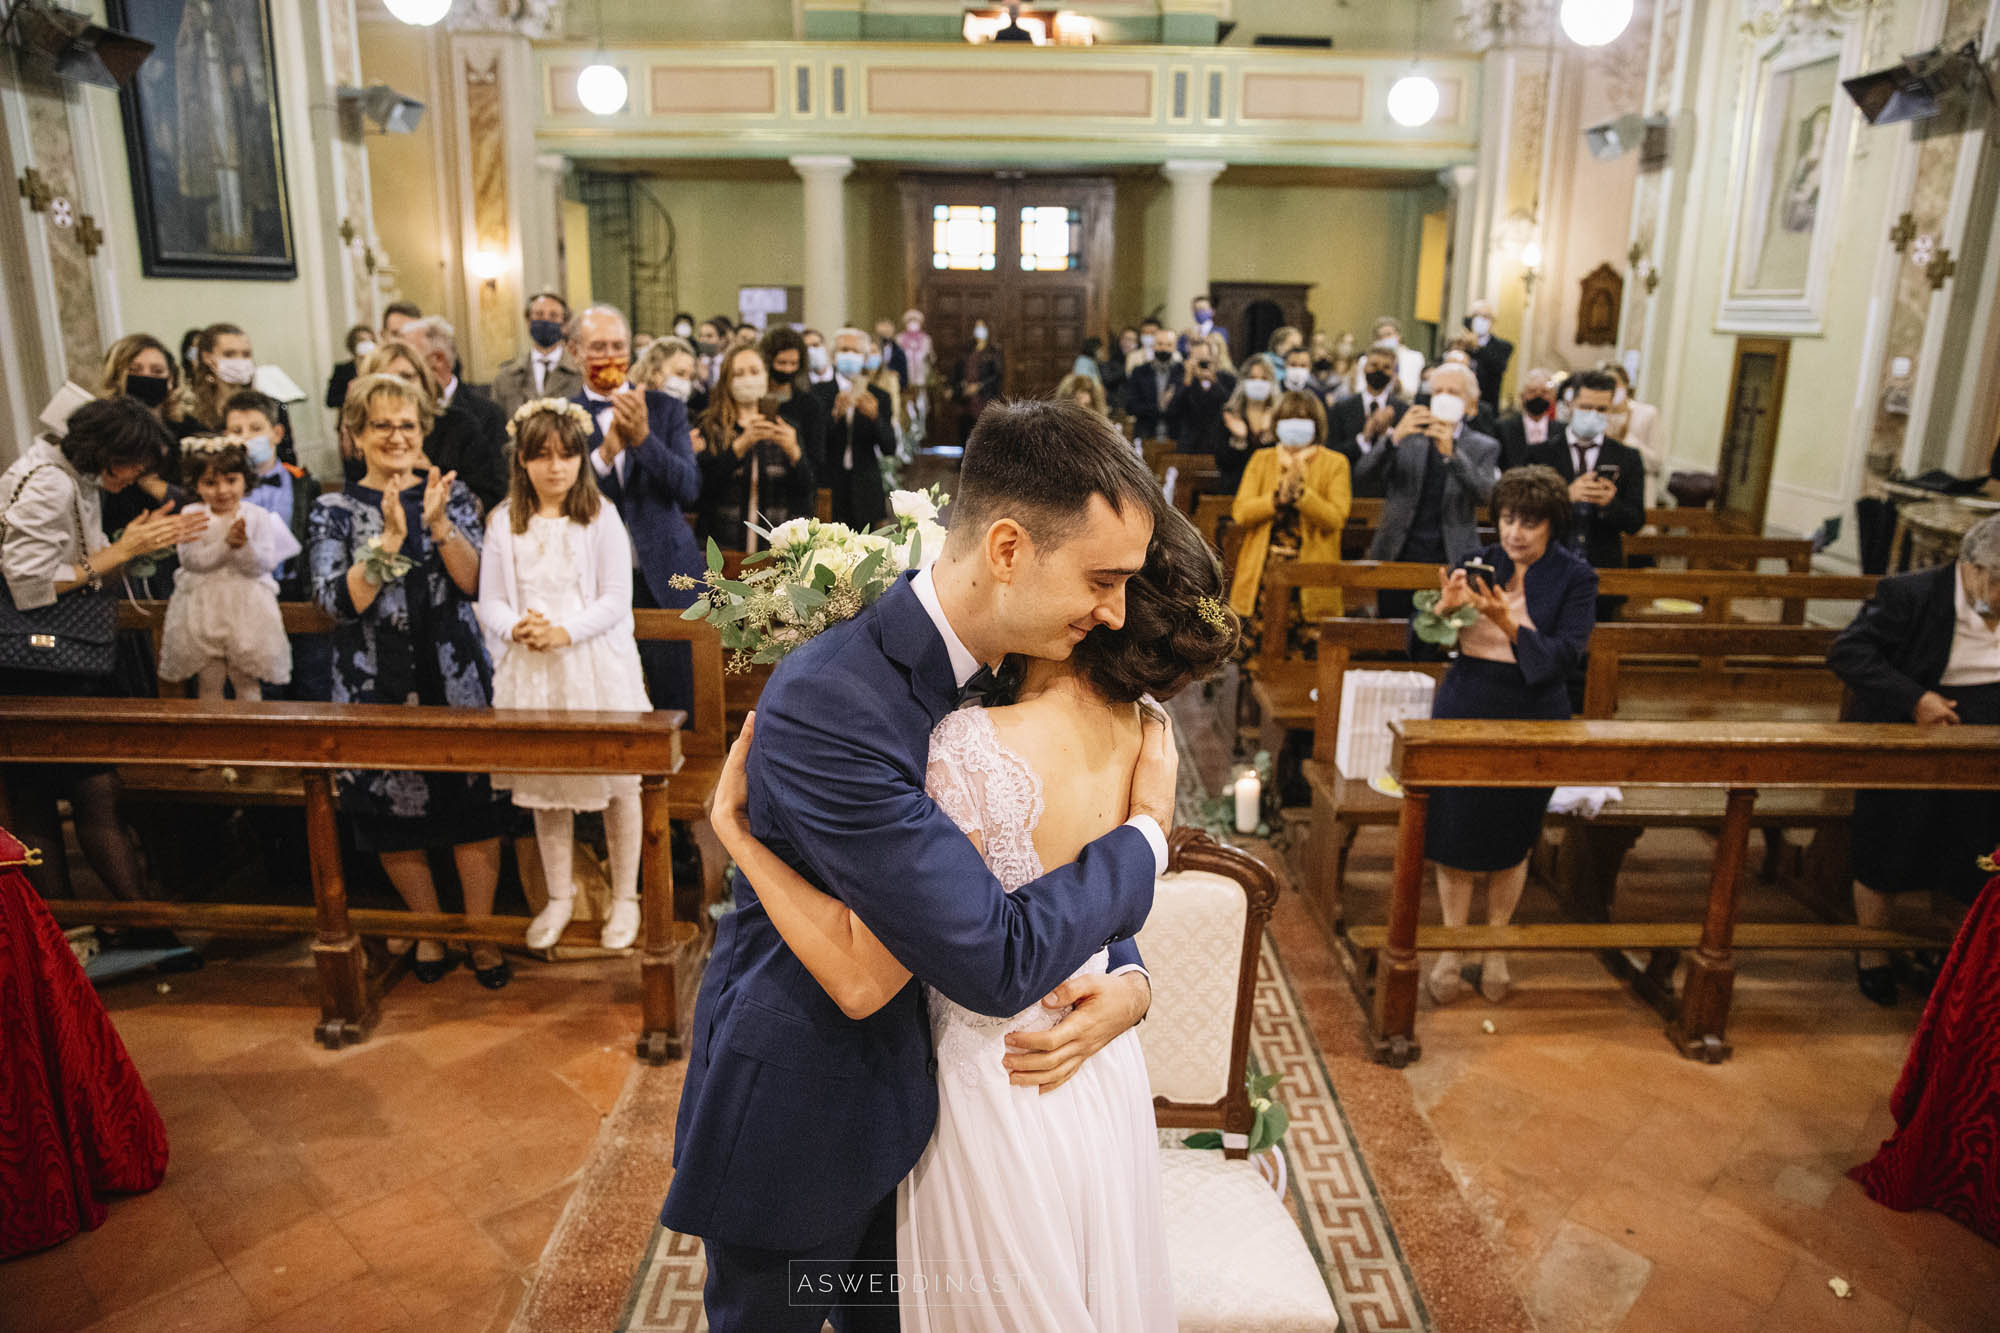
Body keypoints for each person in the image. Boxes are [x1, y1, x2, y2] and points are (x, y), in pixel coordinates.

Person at [664, 400, 1177, 1332]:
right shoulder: (833, 702)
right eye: (1104, 579)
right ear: (1009, 549)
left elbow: (1032, 847)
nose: (1116, 610)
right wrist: (1147, 832)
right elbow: (987, 951)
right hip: (807, 1114)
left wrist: (1131, 975)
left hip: (937, 1122)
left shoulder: (1016, 664)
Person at [307, 373, 511, 988]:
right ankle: (428, 929)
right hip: (375, 681)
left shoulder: (452, 493)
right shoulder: (334, 510)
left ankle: (479, 937)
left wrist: (440, 525)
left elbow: (477, 584)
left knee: (473, 810)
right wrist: (390, 542)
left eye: (407, 425)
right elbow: (336, 603)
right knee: (392, 814)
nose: (395, 436)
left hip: (455, 676)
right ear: (356, 435)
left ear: (424, 432)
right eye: (381, 425)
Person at [0, 399, 208, 949]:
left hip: (36, 665)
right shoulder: (52, 485)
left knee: (44, 798)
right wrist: (118, 552)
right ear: (104, 452)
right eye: (132, 463)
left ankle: (73, 933)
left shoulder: (60, 470)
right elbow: (28, 586)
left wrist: (123, 548)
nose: (137, 475)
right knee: (90, 792)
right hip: (39, 667)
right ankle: (135, 929)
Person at [476, 399, 652, 953]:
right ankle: (558, 896)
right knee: (546, 787)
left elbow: (615, 599)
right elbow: (490, 601)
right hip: (533, 672)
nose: (555, 467)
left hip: (595, 666)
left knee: (620, 785)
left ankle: (626, 896)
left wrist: (565, 631)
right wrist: (517, 628)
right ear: (522, 462)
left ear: (580, 458)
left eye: (567, 455)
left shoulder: (599, 516)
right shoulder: (505, 520)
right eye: (541, 456)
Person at [1419, 466, 1596, 1004]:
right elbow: (1420, 645)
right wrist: (1440, 612)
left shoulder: (1576, 577)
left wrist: (1508, 622)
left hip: (1532, 711)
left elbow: (1567, 656)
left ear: (1552, 525)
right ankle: (1452, 948)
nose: (1516, 531)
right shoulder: (1477, 564)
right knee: (1455, 831)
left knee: (1511, 835)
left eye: (1530, 521)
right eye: (1508, 518)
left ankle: (1494, 946)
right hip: (1466, 703)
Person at [1827, 515, 2000, 1005]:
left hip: (1985, 743)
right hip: (1909, 730)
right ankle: (1873, 955)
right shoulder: (1911, 594)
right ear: (1973, 567)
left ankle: (1952, 956)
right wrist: (1914, 698)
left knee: (1972, 848)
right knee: (1890, 841)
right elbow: (1849, 652)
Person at [572, 304, 704, 717]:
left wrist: (644, 440)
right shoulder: (563, 415)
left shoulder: (666, 408)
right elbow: (561, 502)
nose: (609, 355)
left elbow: (689, 488)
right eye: (598, 347)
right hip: (592, 576)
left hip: (665, 569)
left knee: (678, 696)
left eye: (618, 346)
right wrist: (606, 453)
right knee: (606, 692)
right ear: (575, 351)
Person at [157, 438, 297, 700]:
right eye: (210, 483)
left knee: (247, 682)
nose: (222, 491)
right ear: (196, 484)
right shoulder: (192, 513)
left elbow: (263, 565)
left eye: (231, 480)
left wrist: (243, 545)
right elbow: (192, 562)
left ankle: (253, 737)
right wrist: (226, 545)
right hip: (204, 607)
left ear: (245, 480)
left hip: (247, 609)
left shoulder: (257, 516)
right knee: (209, 681)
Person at [1359, 362, 1501, 619]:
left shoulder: (1484, 446)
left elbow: (1487, 495)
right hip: (1398, 552)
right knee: (1391, 631)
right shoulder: (1409, 435)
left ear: (1470, 404)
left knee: (1442, 636)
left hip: (1451, 556)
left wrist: (1453, 456)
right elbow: (1363, 477)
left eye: (1453, 392)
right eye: (1438, 391)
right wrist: (1392, 440)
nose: (1444, 397)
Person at [1229, 390, 1352, 661]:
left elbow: (1336, 518)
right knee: (1256, 661)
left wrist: (1301, 495)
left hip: (1311, 575)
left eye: (1303, 418)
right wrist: (1277, 498)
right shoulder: (1262, 460)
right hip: (1263, 576)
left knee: (1305, 662)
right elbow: (1241, 512)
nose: (1295, 423)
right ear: (1277, 423)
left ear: (1316, 424)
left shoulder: (1335, 463)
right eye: (1289, 417)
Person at [1526, 370, 1645, 594]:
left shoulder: (1627, 457)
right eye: (1585, 407)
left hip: (1602, 571)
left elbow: (1636, 522)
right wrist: (1564, 497)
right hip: (1548, 565)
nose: (1593, 415)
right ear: (1571, 405)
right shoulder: (1541, 454)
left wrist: (1610, 503)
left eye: (1601, 409)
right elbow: (1524, 511)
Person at [697, 345, 816, 552]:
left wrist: (794, 452)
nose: (748, 379)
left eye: (754, 372)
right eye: (739, 374)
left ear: (765, 375)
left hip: (777, 548)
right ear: (727, 380)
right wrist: (740, 446)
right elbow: (703, 489)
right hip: (722, 546)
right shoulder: (711, 427)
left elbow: (806, 491)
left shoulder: (786, 425)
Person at [409, 316, 509, 510]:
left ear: (437, 359)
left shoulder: (486, 414)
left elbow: (494, 491)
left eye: (410, 360)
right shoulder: (395, 419)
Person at [816, 328, 898, 529]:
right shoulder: (819, 393)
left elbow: (889, 447)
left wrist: (876, 418)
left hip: (866, 486)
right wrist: (834, 415)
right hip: (830, 486)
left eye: (855, 351)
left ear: (864, 357)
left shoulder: (879, 396)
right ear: (834, 355)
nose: (849, 355)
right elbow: (815, 442)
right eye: (844, 350)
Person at [187, 323, 295, 455]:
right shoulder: (191, 415)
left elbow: (288, 461)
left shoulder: (274, 407)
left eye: (246, 354)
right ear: (207, 357)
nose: (239, 361)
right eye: (229, 354)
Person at [1329, 342, 1410, 500]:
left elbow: (1409, 457)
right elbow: (1332, 452)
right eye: (1374, 365)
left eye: (1386, 367)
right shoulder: (1342, 408)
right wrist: (1363, 439)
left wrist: (1389, 434)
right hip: (1349, 489)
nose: (1379, 370)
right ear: (1364, 368)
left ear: (1393, 373)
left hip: (1390, 492)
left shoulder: (1403, 411)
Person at [492, 291, 582, 419]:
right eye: (539, 315)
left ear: (565, 325)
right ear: (528, 321)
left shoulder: (581, 373)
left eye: (553, 315)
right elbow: (498, 428)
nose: (545, 320)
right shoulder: (506, 377)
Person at [1599, 361, 1663, 505]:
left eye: (1615, 383)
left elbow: (1656, 461)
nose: (1611, 389)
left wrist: (1627, 440)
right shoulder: (1597, 415)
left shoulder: (1647, 413)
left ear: (1626, 385)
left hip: (1640, 488)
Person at [1218, 355, 1281, 490]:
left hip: (1270, 489)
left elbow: (1280, 461)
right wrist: (1239, 440)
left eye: (1264, 378)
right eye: (1252, 378)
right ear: (1243, 382)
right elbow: (1222, 462)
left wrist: (1267, 436)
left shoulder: (1280, 417)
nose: (1258, 383)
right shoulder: (1229, 415)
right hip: (1234, 489)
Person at [1121, 325, 1181, 442]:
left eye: (1168, 345)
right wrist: (1159, 407)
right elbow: (1131, 406)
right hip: (1146, 435)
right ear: (1153, 345)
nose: (1163, 348)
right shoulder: (1139, 371)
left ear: (1175, 347)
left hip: (1175, 437)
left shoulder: (1182, 372)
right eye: (1159, 344)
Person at [951, 318, 1004, 447]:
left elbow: (997, 375)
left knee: (983, 430)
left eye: (982, 327)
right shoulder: (967, 349)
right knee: (965, 428)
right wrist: (961, 385)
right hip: (966, 397)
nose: (979, 331)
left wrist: (980, 386)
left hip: (984, 396)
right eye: (977, 327)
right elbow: (958, 370)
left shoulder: (994, 350)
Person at [1494, 367, 1559, 471]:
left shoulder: (1561, 431)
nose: (1538, 396)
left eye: (1544, 392)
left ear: (1553, 397)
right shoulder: (1503, 428)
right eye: (1532, 391)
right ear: (1522, 395)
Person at [1354, 316, 1425, 399]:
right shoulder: (1365, 360)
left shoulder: (1414, 358)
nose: (1385, 339)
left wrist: (1398, 386)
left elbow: (1414, 390)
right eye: (1380, 337)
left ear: (1399, 336)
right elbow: (1360, 389)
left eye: (1388, 334)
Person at [1463, 299, 1513, 413]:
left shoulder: (1503, 346)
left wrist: (1477, 348)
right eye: (1476, 315)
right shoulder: (1461, 344)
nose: (1481, 320)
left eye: (1486, 316)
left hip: (1486, 406)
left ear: (1492, 321)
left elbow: (1498, 366)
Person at [325, 323, 377, 412]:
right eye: (362, 340)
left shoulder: (378, 368)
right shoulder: (342, 369)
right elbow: (330, 401)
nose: (366, 344)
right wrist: (351, 396)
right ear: (353, 344)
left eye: (370, 340)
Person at [871, 316, 911, 388]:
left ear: (892, 333)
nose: (884, 338)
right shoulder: (869, 348)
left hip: (892, 385)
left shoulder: (899, 352)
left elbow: (904, 378)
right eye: (881, 335)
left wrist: (895, 377)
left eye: (887, 332)